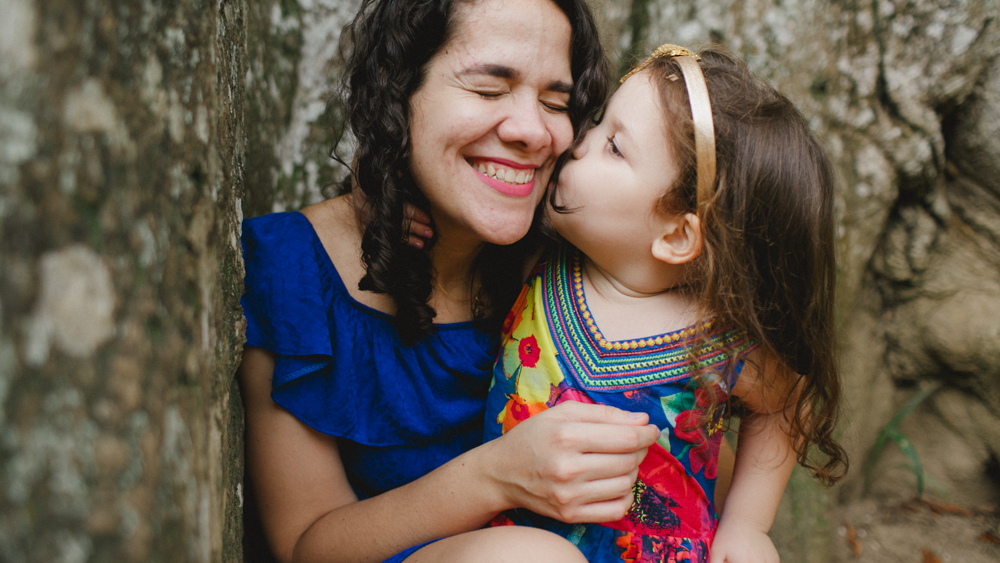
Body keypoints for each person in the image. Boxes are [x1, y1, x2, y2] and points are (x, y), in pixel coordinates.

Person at [238, 1, 664, 562]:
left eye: (556, 103)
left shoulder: (567, 272)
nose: (532, 131)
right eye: (489, 90)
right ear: (399, 89)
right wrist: (496, 478)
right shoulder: (294, 267)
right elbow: (304, 545)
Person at [481, 45, 849, 563]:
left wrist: (748, 526)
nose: (578, 140)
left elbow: (789, 402)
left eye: (614, 146)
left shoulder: (720, 343)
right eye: (599, 123)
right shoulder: (539, 261)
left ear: (677, 235)